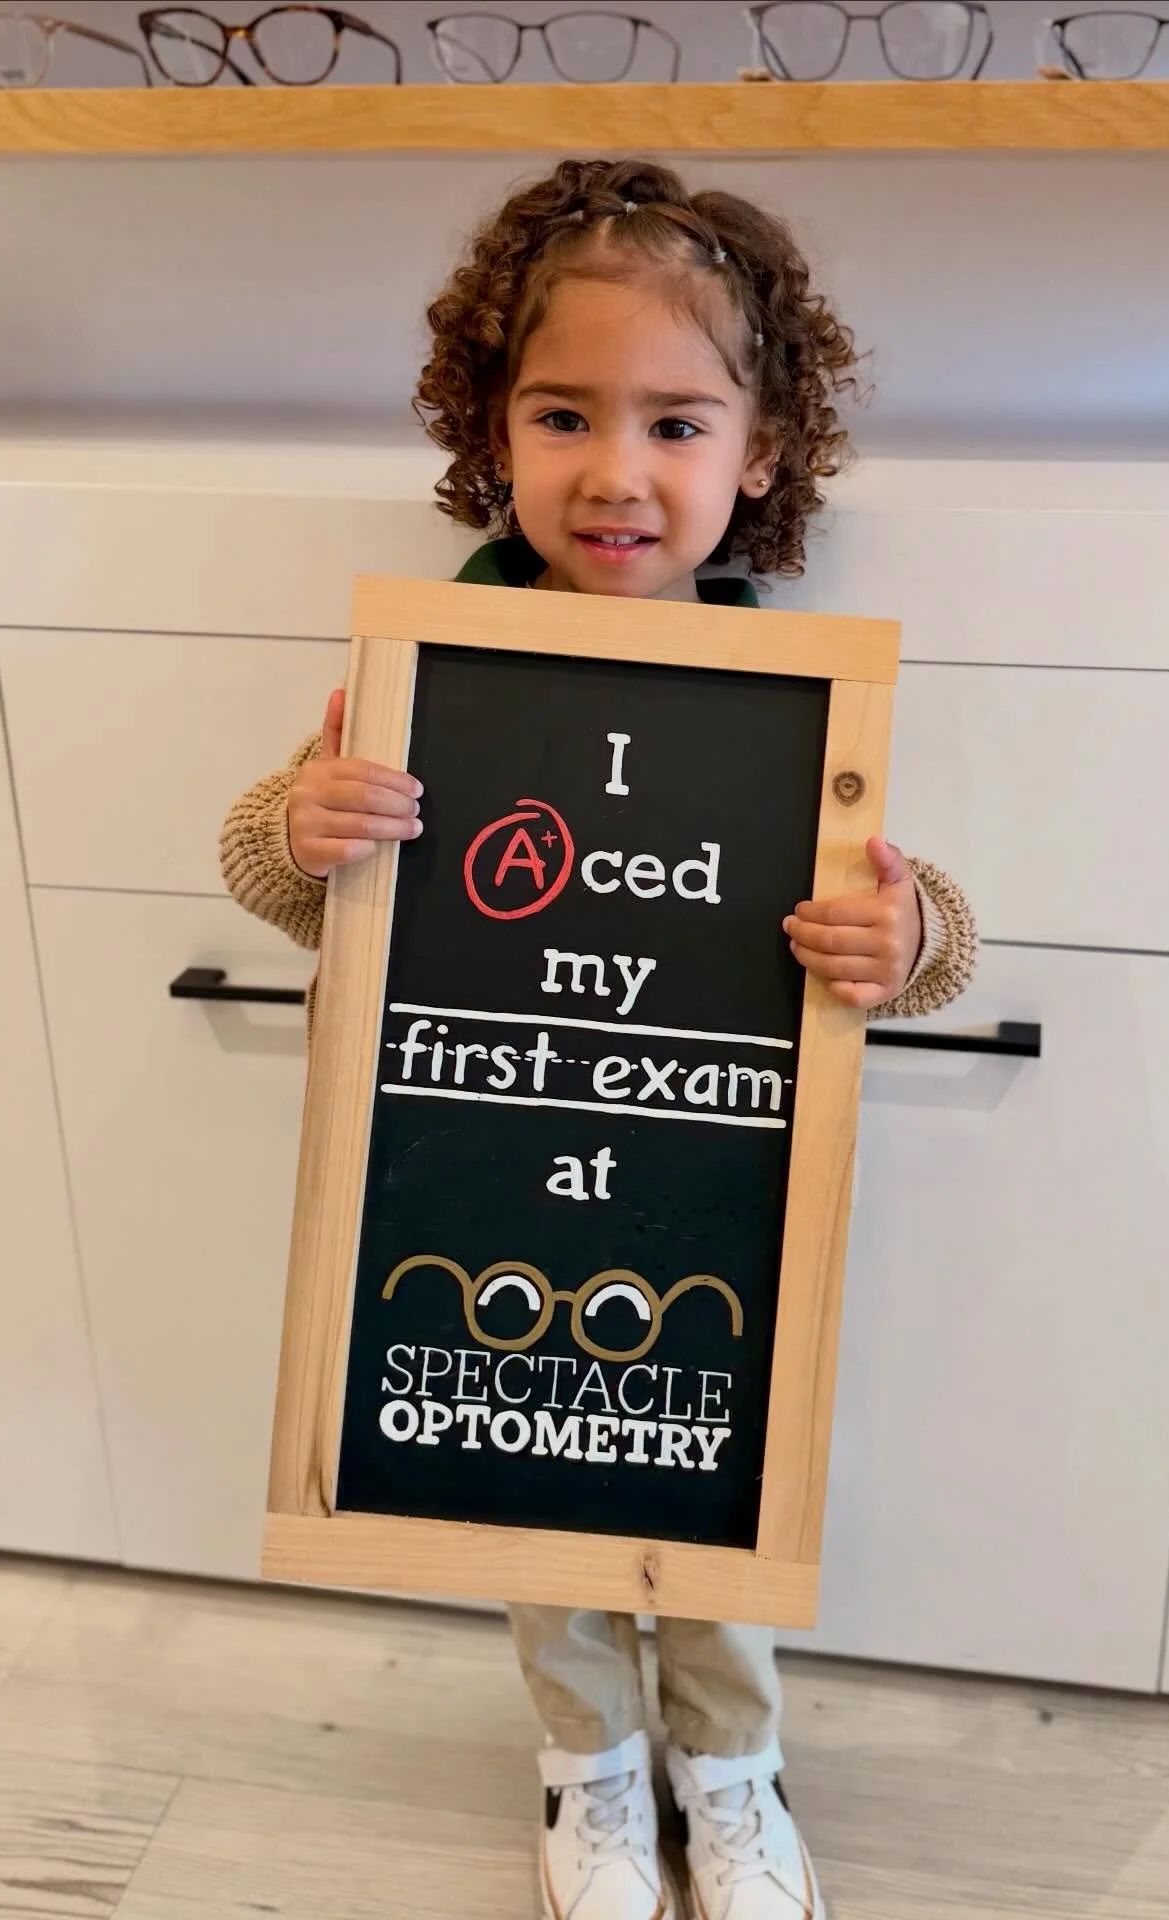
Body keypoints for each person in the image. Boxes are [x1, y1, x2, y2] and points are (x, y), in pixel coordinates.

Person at [222, 157, 976, 1920]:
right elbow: (274, 873)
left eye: (678, 422)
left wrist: (912, 929)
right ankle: (589, 1770)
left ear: (762, 452)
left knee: (712, 1486)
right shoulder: (435, 669)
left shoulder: (792, 705)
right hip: (478, 1174)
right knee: (529, 1489)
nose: (618, 472)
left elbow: (916, 924)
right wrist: (305, 827)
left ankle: (730, 1767)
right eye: (566, 414)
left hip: (709, 1199)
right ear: (495, 427)